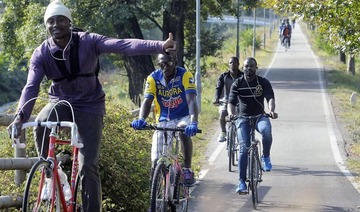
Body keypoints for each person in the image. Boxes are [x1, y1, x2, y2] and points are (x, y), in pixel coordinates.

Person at [9, 0, 176, 211]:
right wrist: (20, 116)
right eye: (50, 21)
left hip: (89, 105)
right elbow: (30, 87)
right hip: (59, 102)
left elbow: (123, 45)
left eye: (61, 20)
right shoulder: (41, 53)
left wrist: (159, 46)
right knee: (42, 120)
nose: (55, 25)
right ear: (46, 26)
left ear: (69, 22)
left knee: (88, 166)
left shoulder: (89, 41)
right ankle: (50, 170)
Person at [131, 53, 199, 186]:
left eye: (168, 63)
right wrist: (141, 119)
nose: (165, 67)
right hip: (163, 120)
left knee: (182, 130)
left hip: (183, 116)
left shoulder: (185, 75)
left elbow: (191, 100)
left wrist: (194, 121)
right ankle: (157, 195)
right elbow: (147, 100)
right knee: (157, 160)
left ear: (175, 61)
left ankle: (187, 169)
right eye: (161, 64)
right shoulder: (153, 77)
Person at [227, 57, 278, 194]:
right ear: (242, 68)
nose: (248, 69)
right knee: (244, 148)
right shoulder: (237, 83)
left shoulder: (263, 82)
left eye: (251, 66)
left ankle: (266, 156)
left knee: (266, 130)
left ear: (256, 68)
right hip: (243, 119)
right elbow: (231, 101)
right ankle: (242, 182)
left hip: (259, 117)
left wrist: (271, 110)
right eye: (246, 66)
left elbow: (270, 98)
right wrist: (231, 114)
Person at [213, 57, 243, 142]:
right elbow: (218, 88)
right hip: (226, 100)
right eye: (230, 63)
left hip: (239, 101)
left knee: (241, 115)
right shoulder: (224, 76)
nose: (232, 64)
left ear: (238, 64)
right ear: (228, 64)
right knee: (223, 113)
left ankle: (240, 132)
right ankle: (223, 132)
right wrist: (216, 98)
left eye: (234, 62)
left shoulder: (242, 76)